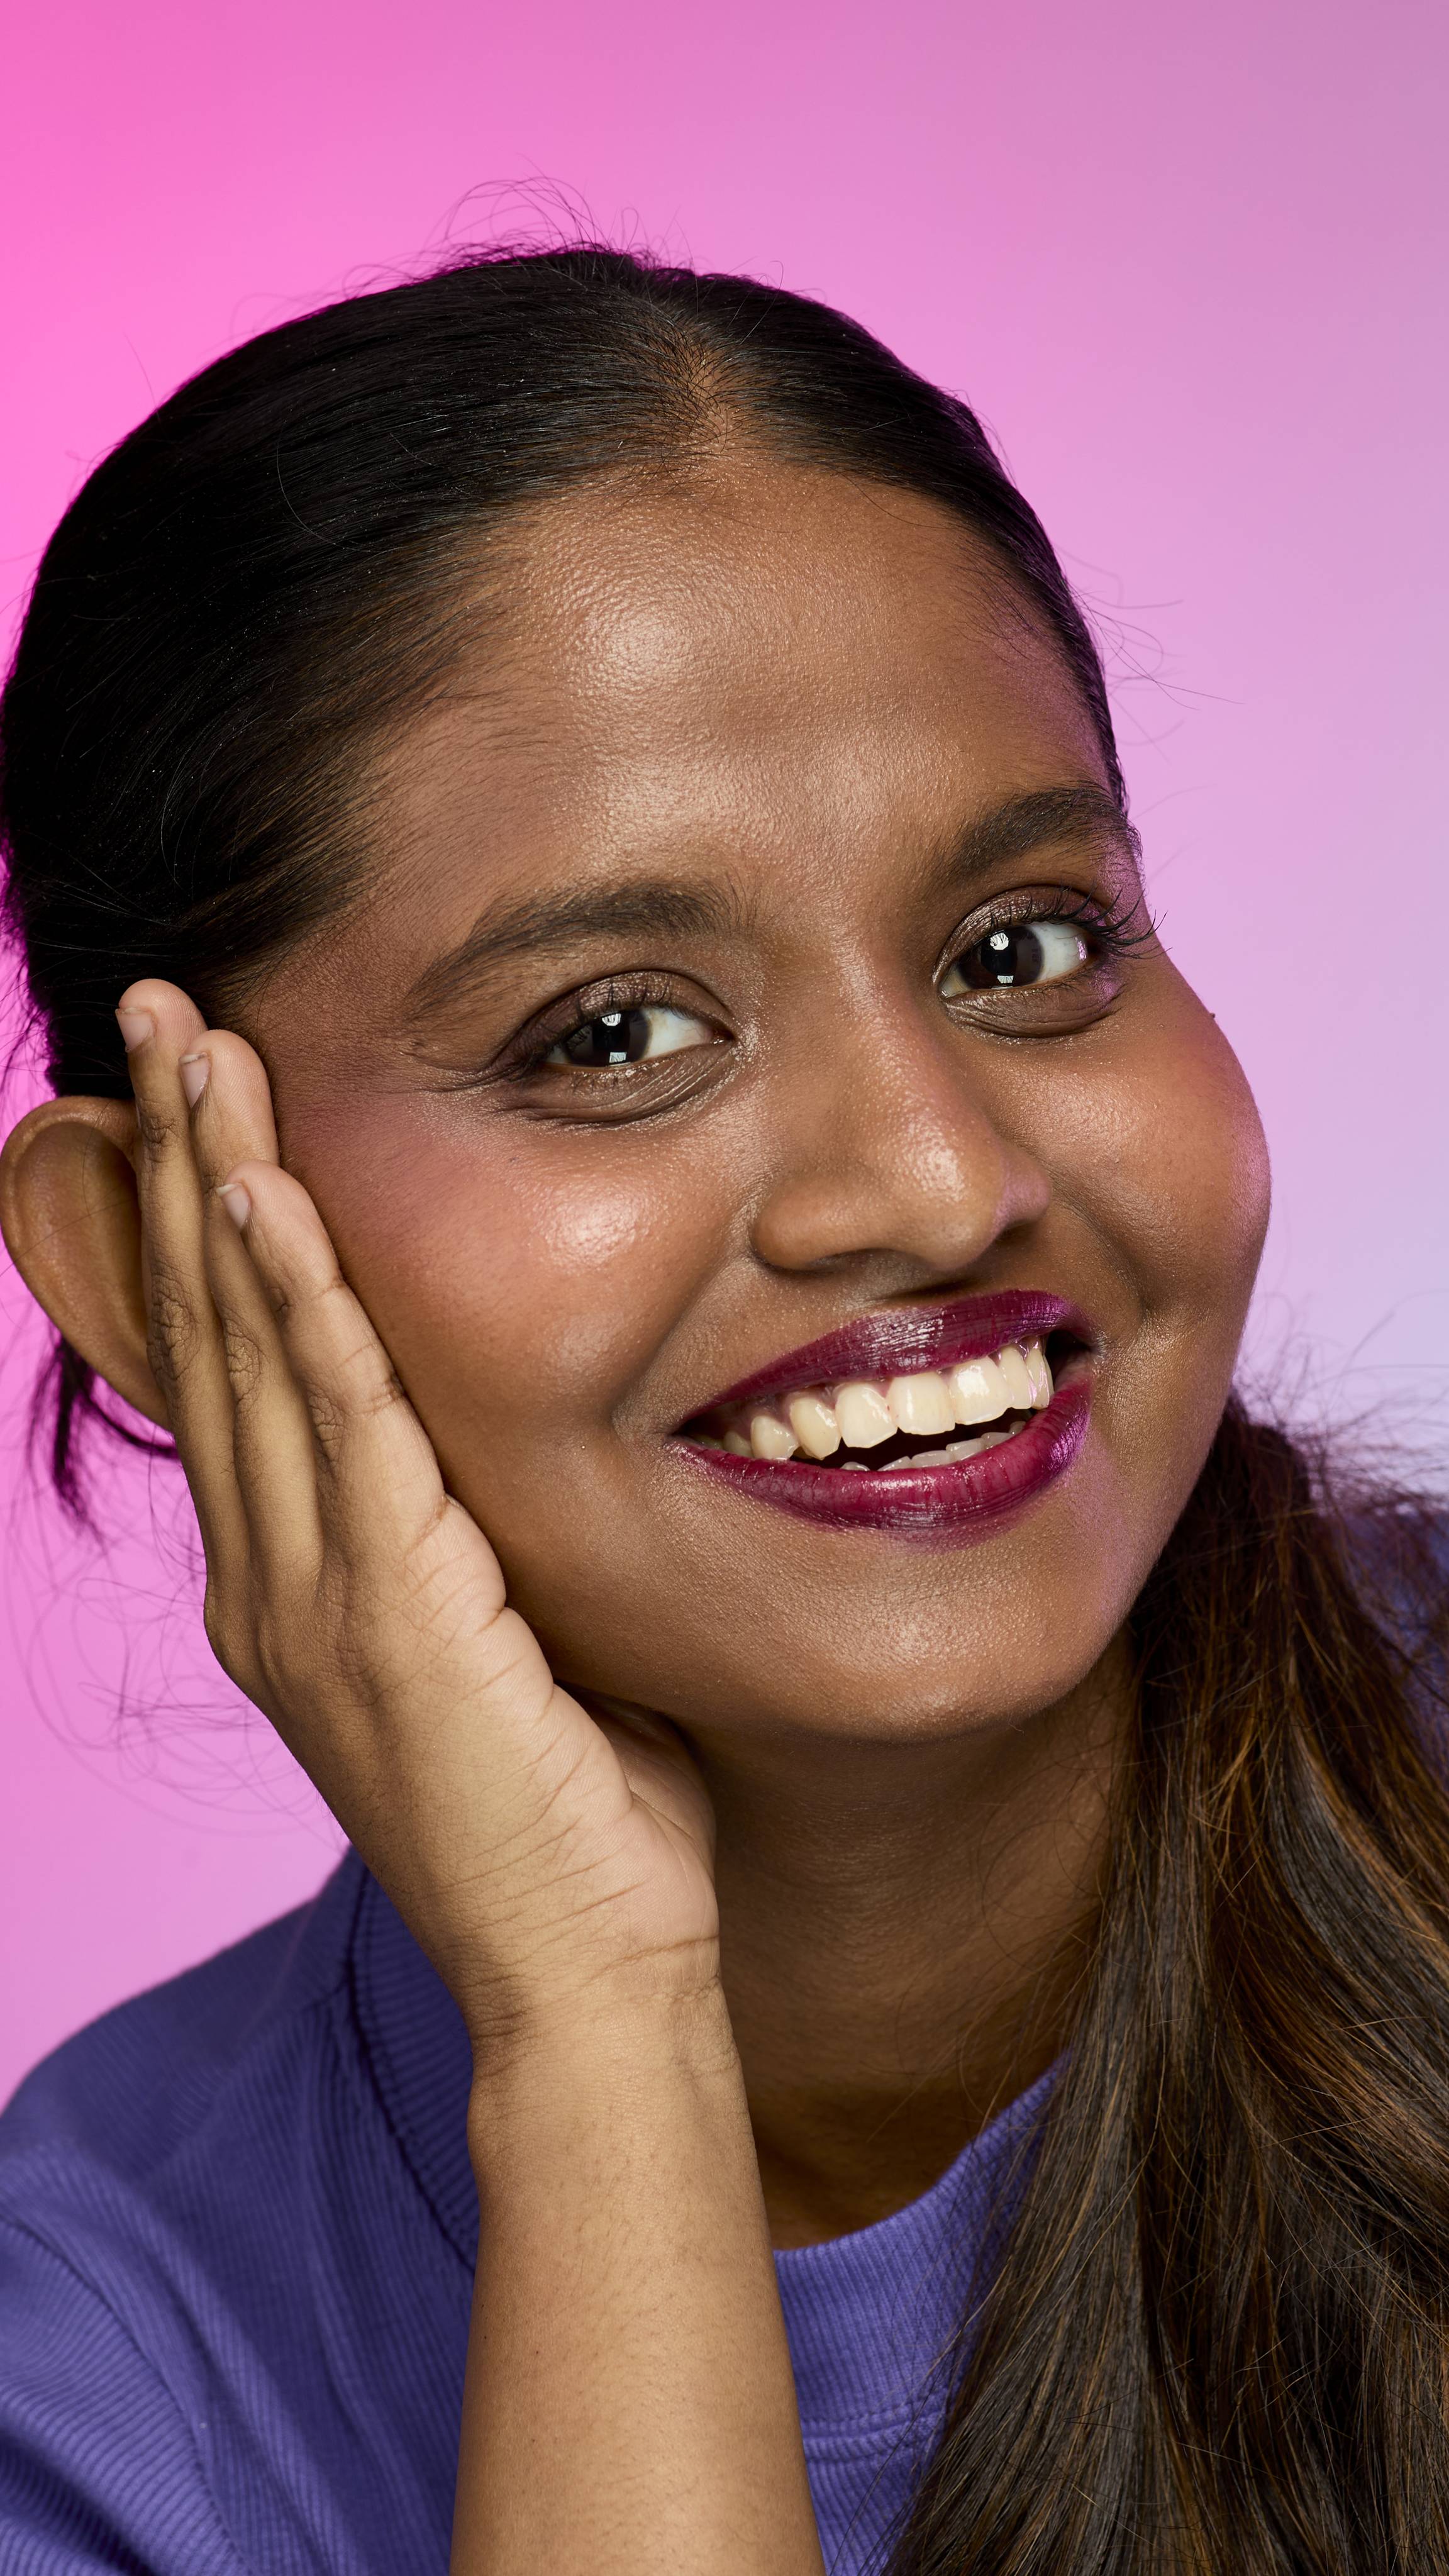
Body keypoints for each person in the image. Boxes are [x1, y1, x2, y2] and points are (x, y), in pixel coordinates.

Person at [0, 245, 1444, 2576]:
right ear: (159, 1261)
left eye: (1023, 948)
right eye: (614, 1035)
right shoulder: (100, 2387)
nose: (938, 1181)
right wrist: (594, 2042)